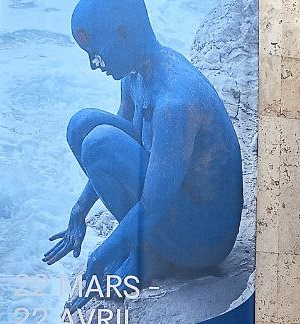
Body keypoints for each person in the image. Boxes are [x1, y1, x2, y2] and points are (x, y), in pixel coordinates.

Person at [43, 0, 244, 300]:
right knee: (81, 126)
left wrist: (98, 257)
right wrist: (78, 212)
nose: (94, 65)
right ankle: (149, 246)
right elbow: (119, 151)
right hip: (171, 204)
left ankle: (149, 256)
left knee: (99, 142)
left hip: (203, 239)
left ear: (123, 34)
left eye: (96, 54)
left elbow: (153, 205)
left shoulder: (174, 103)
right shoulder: (134, 75)